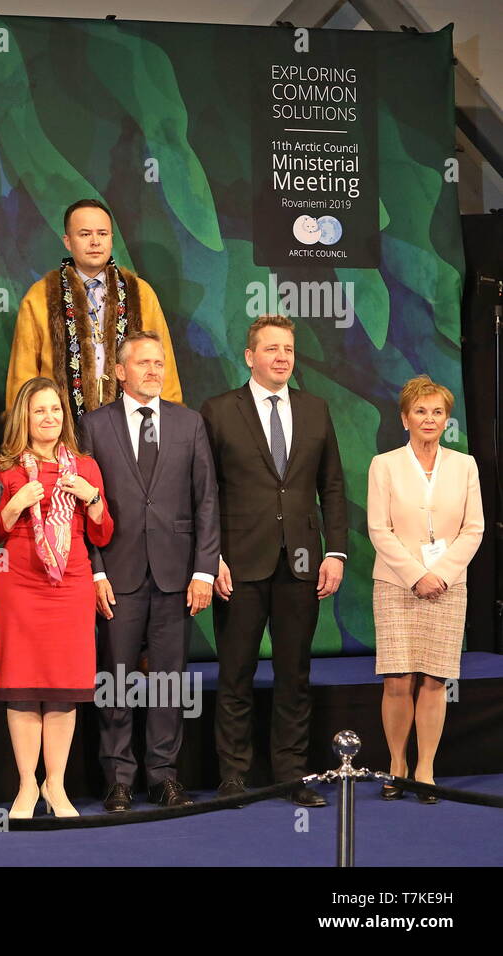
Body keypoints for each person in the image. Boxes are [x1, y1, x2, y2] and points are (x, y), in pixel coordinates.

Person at [200, 315, 347, 808]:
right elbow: (204, 493)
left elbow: (332, 486)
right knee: (236, 674)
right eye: (272, 349)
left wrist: (337, 552)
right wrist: (210, 557)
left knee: (294, 674)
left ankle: (291, 774)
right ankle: (234, 777)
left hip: (302, 564)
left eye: (288, 349)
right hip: (237, 565)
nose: (282, 357)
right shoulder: (218, 411)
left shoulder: (315, 408)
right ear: (249, 357)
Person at [78, 332, 219, 811]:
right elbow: (81, 509)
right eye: (143, 363)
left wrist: (204, 571)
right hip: (117, 576)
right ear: (120, 371)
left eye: (159, 363)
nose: (153, 371)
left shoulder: (189, 423)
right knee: (115, 680)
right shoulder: (93, 426)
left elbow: (207, 503)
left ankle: (163, 776)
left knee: (167, 681)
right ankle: (118, 778)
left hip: (176, 576)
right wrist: (95, 573)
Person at [0, 377, 112, 818]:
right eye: (40, 410)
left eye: (56, 410)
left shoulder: (85, 467)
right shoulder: (4, 469)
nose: (49, 418)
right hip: (18, 585)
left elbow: (102, 531)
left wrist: (93, 497)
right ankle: (26, 787)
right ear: (25, 417)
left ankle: (55, 786)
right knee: (22, 687)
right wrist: (15, 504)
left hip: (71, 585)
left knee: (62, 689)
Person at [367, 375, 483, 802]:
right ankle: (396, 764)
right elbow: (379, 529)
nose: (429, 419)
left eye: (437, 412)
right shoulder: (385, 464)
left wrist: (443, 574)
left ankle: (425, 770)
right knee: (398, 679)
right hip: (398, 584)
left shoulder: (465, 465)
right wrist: (417, 575)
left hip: (449, 586)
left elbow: (475, 529)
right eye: (421, 411)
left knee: (434, 679)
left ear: (446, 419)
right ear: (405, 418)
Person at [6, 200, 181, 423]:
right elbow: (23, 376)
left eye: (103, 233)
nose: (95, 242)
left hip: (131, 429)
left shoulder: (140, 293)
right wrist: (22, 429)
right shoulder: (40, 296)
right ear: (67, 241)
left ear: (111, 239)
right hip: (61, 430)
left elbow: (163, 365)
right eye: (85, 234)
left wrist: (170, 421)